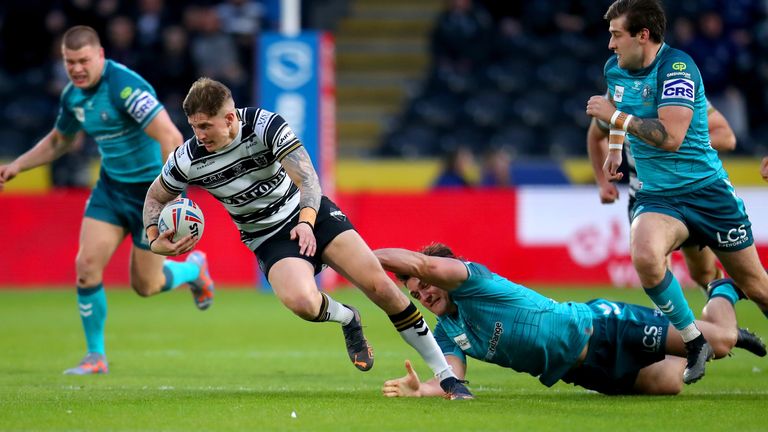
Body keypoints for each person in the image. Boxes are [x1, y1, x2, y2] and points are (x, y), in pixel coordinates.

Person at [141, 77, 473, 399]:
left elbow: (309, 178)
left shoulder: (264, 126)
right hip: (267, 237)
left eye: (205, 127)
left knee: (381, 287)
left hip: (310, 211)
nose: (198, 136)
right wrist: (155, 240)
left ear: (229, 118)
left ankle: (447, 378)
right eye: (193, 127)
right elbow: (155, 197)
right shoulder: (188, 159)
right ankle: (348, 317)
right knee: (302, 303)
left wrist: (306, 221)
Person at [0, 26, 214, 375]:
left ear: (100, 56)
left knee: (146, 285)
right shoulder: (74, 96)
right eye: (70, 62)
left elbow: (170, 136)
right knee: (86, 267)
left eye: (84, 60)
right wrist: (17, 166)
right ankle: (95, 356)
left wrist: (171, 198)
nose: (77, 69)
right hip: (111, 191)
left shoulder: (125, 88)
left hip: (151, 195)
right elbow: (59, 141)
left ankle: (194, 270)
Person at [585, 0, 768, 384]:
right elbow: (617, 107)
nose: (610, 45)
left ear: (643, 35)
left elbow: (670, 137)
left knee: (758, 288)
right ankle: (694, 339)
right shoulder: (615, 68)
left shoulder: (678, 69)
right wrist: (615, 147)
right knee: (646, 255)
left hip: (707, 192)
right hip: (658, 196)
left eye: (617, 35)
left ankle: (725, 303)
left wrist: (614, 118)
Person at [375, 243, 766, 397]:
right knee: (670, 384)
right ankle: (708, 336)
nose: (424, 295)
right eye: (416, 295)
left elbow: (423, 263)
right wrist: (423, 390)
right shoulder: (446, 332)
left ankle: (723, 290)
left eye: (427, 286)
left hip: (603, 325)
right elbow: (453, 377)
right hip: (582, 371)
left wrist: (358, 254)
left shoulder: (472, 281)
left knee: (721, 341)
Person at [587, 99, 736, 290]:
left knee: (704, 273)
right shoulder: (616, 95)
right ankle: (672, 320)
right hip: (644, 196)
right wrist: (602, 181)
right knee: (657, 269)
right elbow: (595, 135)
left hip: (689, 192)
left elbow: (727, 138)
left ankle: (724, 317)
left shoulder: (681, 92)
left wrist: (681, 141)